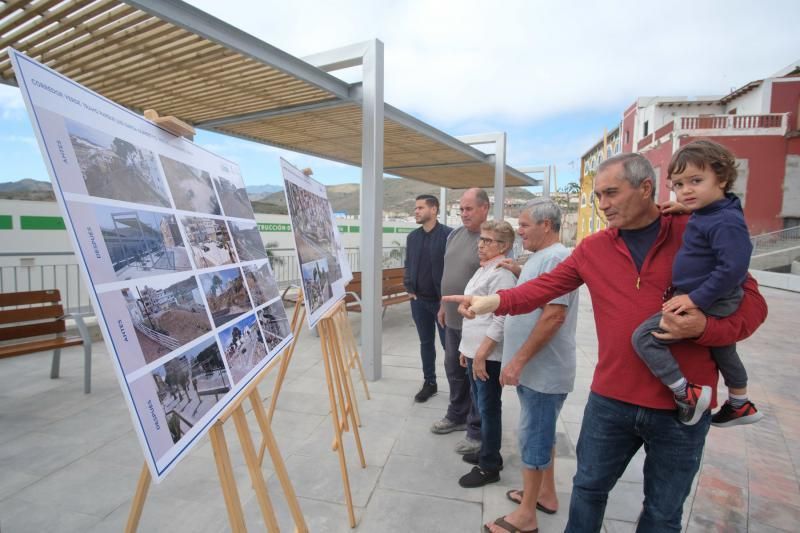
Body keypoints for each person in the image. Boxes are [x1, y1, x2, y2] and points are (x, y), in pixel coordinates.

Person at [444, 153, 767, 532]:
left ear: (646, 188)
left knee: (663, 513)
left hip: (684, 408)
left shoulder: (694, 232)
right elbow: (542, 289)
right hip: (610, 400)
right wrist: (493, 301)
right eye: (598, 196)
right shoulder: (594, 248)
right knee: (587, 490)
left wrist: (703, 329)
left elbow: (753, 306)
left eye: (612, 193)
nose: (603, 205)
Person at [632, 139, 762, 427]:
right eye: (678, 184)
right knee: (723, 347)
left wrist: (695, 299)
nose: (685, 190)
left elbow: (733, 267)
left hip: (710, 297)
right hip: (712, 296)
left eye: (695, 181)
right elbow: (714, 215)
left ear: (723, 178)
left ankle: (685, 392)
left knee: (643, 337)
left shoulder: (725, 221)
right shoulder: (714, 211)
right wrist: (687, 208)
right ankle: (740, 402)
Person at [486, 199, 579, 533]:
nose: (519, 231)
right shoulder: (542, 258)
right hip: (537, 371)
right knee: (542, 434)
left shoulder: (556, 257)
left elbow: (554, 314)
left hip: (543, 370)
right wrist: (517, 270)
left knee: (533, 438)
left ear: (547, 226)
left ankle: (526, 517)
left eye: (524, 225)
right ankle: (546, 495)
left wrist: (517, 362)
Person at [456, 220, 517, 488]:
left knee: (489, 408)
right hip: (474, 351)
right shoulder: (485, 269)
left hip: (488, 355)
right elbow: (472, 305)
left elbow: (502, 319)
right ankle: (488, 452)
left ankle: (489, 465)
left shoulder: (502, 274)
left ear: (504, 246)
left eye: (488, 241)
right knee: (482, 406)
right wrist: (465, 349)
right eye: (481, 239)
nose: (480, 245)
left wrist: (480, 354)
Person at [432, 188, 490, 457]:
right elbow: (448, 271)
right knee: (452, 368)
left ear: (484, 209)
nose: (464, 214)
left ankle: (477, 431)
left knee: (476, 376)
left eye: (469, 209)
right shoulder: (455, 235)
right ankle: (457, 414)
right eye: (461, 209)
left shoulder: (491, 239)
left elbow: (493, 283)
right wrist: (444, 305)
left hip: (475, 322)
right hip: (452, 318)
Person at [404, 194, 452, 402]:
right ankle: (429, 383)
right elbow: (408, 264)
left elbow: (452, 268)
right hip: (419, 301)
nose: (416, 211)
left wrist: (445, 300)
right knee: (425, 343)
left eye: (420, 208)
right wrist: (409, 286)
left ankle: (457, 389)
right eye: (415, 208)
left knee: (448, 346)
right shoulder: (412, 237)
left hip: (442, 303)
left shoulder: (449, 236)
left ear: (434, 210)